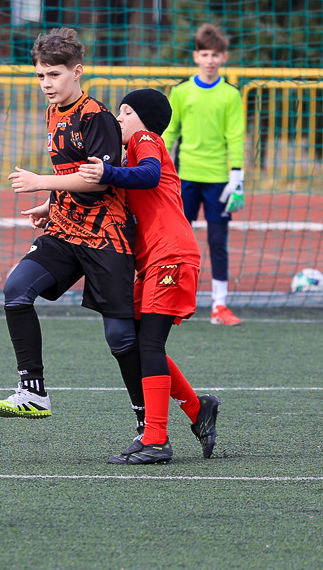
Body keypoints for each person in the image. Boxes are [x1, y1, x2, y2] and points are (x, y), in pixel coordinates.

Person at [0, 27, 148, 437]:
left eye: (54, 75)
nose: (46, 84)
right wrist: (50, 205)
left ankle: (147, 420)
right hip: (64, 230)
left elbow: (98, 181)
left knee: (120, 337)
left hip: (105, 237)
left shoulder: (95, 116)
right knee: (15, 289)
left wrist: (41, 182)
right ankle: (34, 391)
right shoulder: (53, 111)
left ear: (77, 72)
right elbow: (70, 177)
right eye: (41, 75)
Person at [78, 89, 220, 464]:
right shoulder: (132, 156)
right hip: (156, 261)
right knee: (143, 340)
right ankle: (196, 408)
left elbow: (150, 175)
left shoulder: (146, 140)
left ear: (144, 120)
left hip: (170, 256)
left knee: (149, 345)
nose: (119, 119)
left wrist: (108, 171)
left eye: (126, 112)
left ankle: (156, 439)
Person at [166, 24, 246, 326]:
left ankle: (219, 306)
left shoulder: (229, 95)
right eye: (204, 54)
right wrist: (157, 164)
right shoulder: (181, 92)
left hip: (218, 181)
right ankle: (172, 301)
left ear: (223, 57)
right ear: (195, 56)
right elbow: (171, 131)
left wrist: (236, 174)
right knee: (177, 242)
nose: (210, 60)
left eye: (215, 55)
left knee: (217, 240)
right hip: (185, 178)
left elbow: (235, 136)